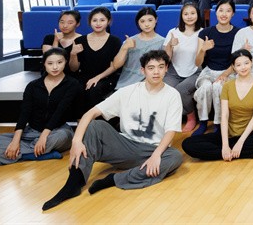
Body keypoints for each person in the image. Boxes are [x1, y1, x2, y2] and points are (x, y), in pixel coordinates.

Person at [41, 50, 183, 211]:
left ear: (166, 69)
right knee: (95, 126)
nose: (156, 72)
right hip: (125, 146)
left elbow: (171, 131)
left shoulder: (172, 95)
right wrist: (76, 141)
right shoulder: (127, 92)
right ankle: (73, 183)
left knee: (175, 157)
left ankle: (114, 179)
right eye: (151, 68)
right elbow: (90, 114)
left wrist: (156, 155)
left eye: (161, 67)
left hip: (151, 151)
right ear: (142, 70)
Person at [0, 48, 82, 165]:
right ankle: (36, 154)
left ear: (65, 62)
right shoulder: (33, 86)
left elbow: (60, 111)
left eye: (59, 62)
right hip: (31, 132)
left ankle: (22, 153)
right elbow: (24, 113)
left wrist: (44, 136)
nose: (55, 67)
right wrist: (15, 141)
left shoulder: (72, 84)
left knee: (62, 137)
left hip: (57, 131)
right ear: (44, 64)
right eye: (50, 63)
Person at [182, 49, 253, 161]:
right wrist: (225, 145)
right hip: (227, 134)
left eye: (246, 63)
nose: (243, 67)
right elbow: (224, 116)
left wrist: (240, 142)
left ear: (252, 62)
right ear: (233, 67)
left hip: (248, 135)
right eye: (238, 65)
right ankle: (238, 153)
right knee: (187, 144)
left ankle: (232, 151)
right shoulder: (227, 86)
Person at [87, 7, 165, 91]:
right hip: (127, 82)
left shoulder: (163, 42)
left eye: (150, 20)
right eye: (142, 21)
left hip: (150, 83)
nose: (147, 24)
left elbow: (163, 68)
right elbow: (116, 65)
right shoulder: (129, 41)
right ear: (138, 23)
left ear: (156, 20)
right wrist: (124, 48)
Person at [192, 0, 240, 135]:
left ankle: (218, 123)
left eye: (228, 11)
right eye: (221, 10)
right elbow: (197, 63)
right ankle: (203, 122)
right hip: (208, 71)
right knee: (206, 87)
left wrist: (224, 74)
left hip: (229, 71)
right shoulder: (205, 33)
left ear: (233, 14)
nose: (224, 14)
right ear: (216, 12)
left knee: (218, 86)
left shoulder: (238, 33)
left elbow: (237, 61)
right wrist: (203, 49)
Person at [162, 2, 204, 132]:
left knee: (181, 90)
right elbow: (166, 59)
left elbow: (200, 61)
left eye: (192, 13)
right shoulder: (173, 32)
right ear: (181, 16)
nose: (189, 16)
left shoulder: (202, 32)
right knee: (164, 89)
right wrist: (170, 45)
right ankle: (169, 119)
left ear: (197, 14)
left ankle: (191, 117)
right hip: (174, 71)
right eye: (186, 14)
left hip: (195, 71)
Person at [70, 7, 123, 108]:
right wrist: (73, 54)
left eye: (102, 20)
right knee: (75, 89)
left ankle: (94, 117)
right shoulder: (80, 40)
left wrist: (97, 77)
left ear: (108, 21)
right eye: (94, 20)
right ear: (90, 22)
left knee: (93, 89)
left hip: (106, 77)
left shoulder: (115, 41)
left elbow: (114, 66)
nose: (98, 23)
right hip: (83, 76)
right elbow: (74, 68)